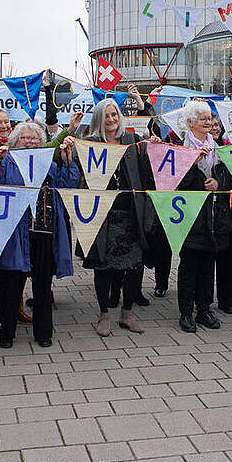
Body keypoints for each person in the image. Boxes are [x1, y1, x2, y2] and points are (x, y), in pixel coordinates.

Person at [0, 122, 79, 348]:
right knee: (11, 285)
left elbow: (69, 184)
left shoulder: (49, 164)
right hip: (16, 234)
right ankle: (7, 333)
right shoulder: (7, 161)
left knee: (43, 287)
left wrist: (67, 161)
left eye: (36, 138)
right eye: (25, 138)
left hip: (44, 232)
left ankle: (44, 332)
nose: (31, 141)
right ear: (15, 141)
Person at [78, 98, 156, 337]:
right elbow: (77, 169)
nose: (111, 120)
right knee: (104, 266)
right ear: (99, 120)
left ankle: (127, 313)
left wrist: (154, 146)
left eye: (114, 115)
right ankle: (104, 314)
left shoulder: (133, 141)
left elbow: (146, 173)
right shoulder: (90, 143)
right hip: (103, 215)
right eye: (106, 116)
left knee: (134, 266)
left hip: (130, 213)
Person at [175, 100, 232, 332]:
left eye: (210, 118)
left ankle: (204, 309)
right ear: (190, 123)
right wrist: (194, 164)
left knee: (208, 265)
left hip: (214, 215)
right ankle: (185, 312)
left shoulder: (219, 148)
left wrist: (218, 183)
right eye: (203, 119)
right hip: (191, 216)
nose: (208, 123)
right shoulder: (181, 148)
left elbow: (231, 178)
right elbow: (175, 182)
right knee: (190, 264)